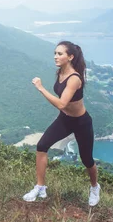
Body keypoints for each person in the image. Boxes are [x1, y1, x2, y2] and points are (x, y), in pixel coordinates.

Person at [22, 41, 101, 206]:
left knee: (87, 159)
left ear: (70, 57)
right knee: (42, 146)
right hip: (65, 119)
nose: (55, 57)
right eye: (55, 53)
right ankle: (40, 187)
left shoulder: (74, 79)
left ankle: (95, 187)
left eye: (60, 54)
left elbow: (61, 104)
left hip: (81, 122)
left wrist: (41, 88)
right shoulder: (60, 73)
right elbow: (63, 108)